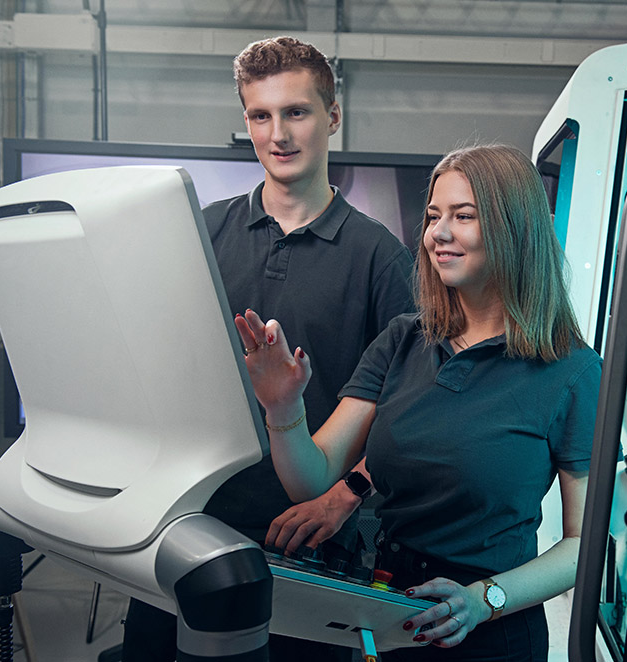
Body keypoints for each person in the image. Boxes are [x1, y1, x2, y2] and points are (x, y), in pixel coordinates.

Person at [234, 144, 602, 661]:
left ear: (514, 228)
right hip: (387, 610)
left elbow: (583, 545)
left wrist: (482, 601)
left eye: (463, 216)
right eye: (433, 216)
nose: (438, 233)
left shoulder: (571, 370)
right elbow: (311, 480)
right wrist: (282, 408)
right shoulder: (404, 340)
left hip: (489, 633)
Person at [122, 36, 415, 662]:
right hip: (185, 526)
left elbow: (409, 411)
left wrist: (343, 498)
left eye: (296, 112)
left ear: (333, 117)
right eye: (260, 115)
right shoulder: (202, 232)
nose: (277, 133)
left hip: (306, 543)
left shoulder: (381, 258)